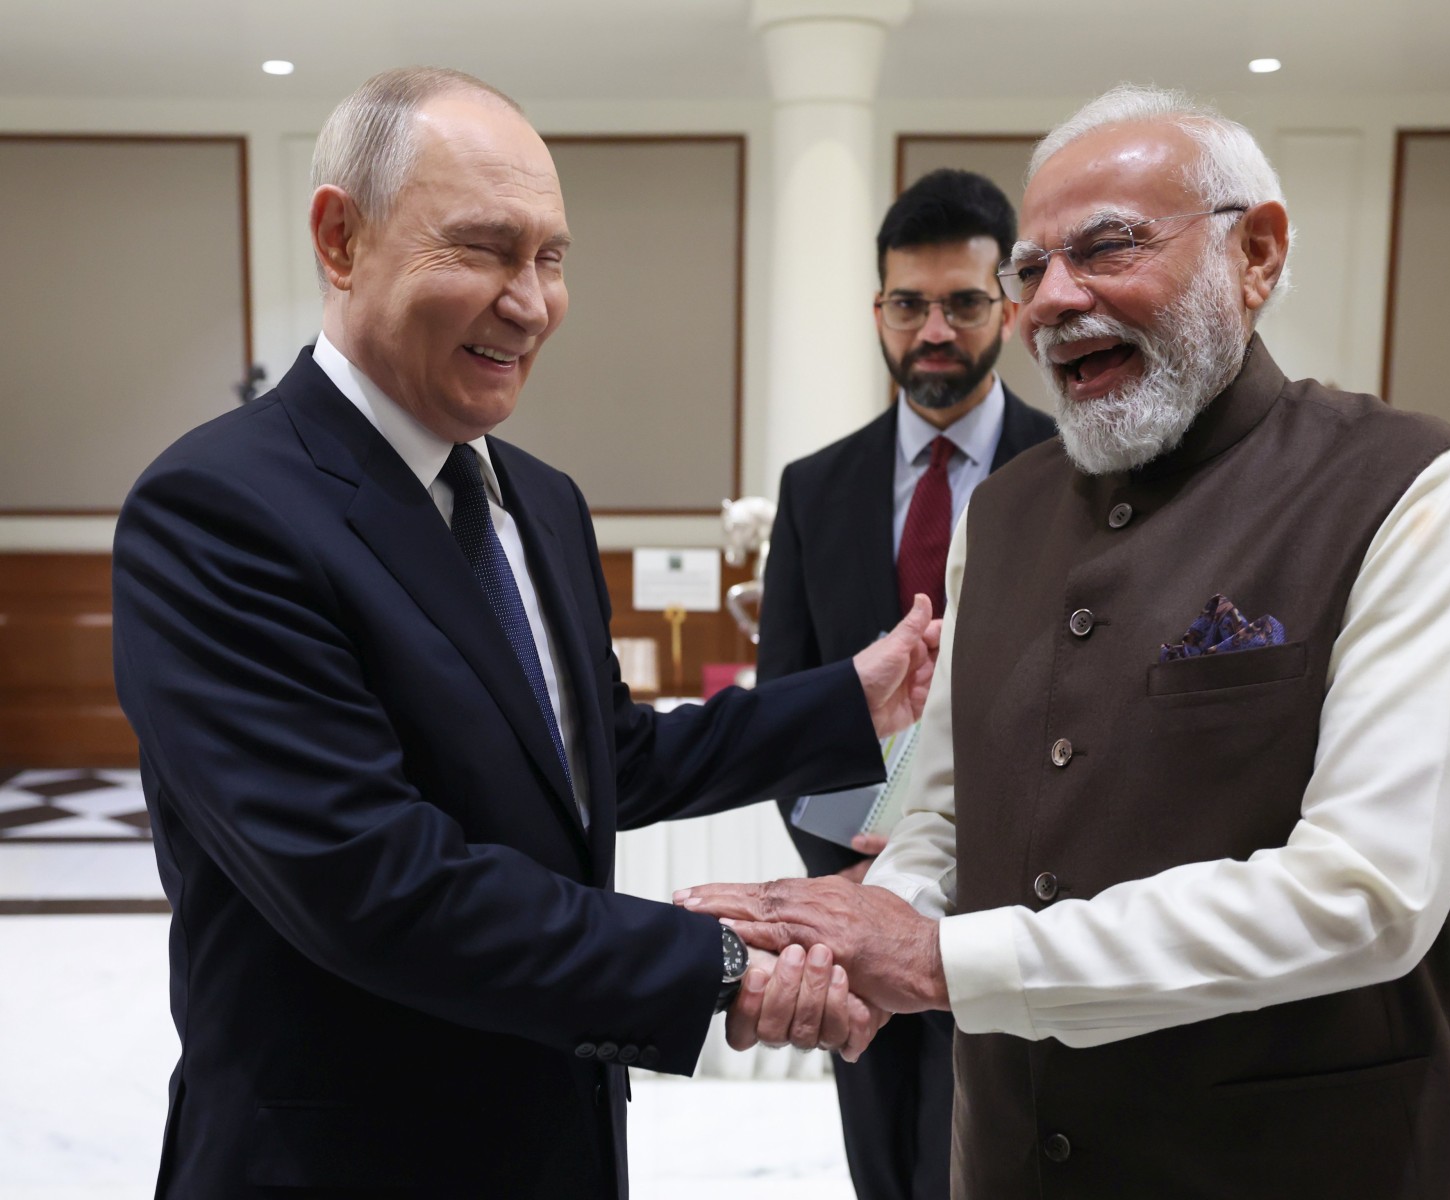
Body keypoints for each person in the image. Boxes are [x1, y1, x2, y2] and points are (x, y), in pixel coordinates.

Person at [111, 66, 935, 1200]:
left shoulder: (538, 502)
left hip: (556, 1139)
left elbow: (599, 757)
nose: (531, 301)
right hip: (336, 1160)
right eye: (486, 249)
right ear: (340, 239)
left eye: (550, 258)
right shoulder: (217, 510)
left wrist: (852, 698)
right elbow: (372, 883)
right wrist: (720, 964)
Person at [682, 83, 1450, 1199]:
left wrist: (937, 962)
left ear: (1255, 253)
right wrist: (870, 921)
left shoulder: (1411, 486)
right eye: (1031, 270)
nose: (1054, 300)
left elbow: (1366, 894)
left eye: (1107, 247)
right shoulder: (1007, 513)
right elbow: (937, 811)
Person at [757, 167, 1055, 1200]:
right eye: (908, 303)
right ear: (877, 312)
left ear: (1007, 309)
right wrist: (854, 866)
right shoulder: (812, 488)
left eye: (963, 302)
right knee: (882, 1159)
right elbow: (782, 700)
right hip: (850, 878)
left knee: (995, 1152)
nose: (935, 328)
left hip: (1022, 897)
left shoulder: (1074, 474)